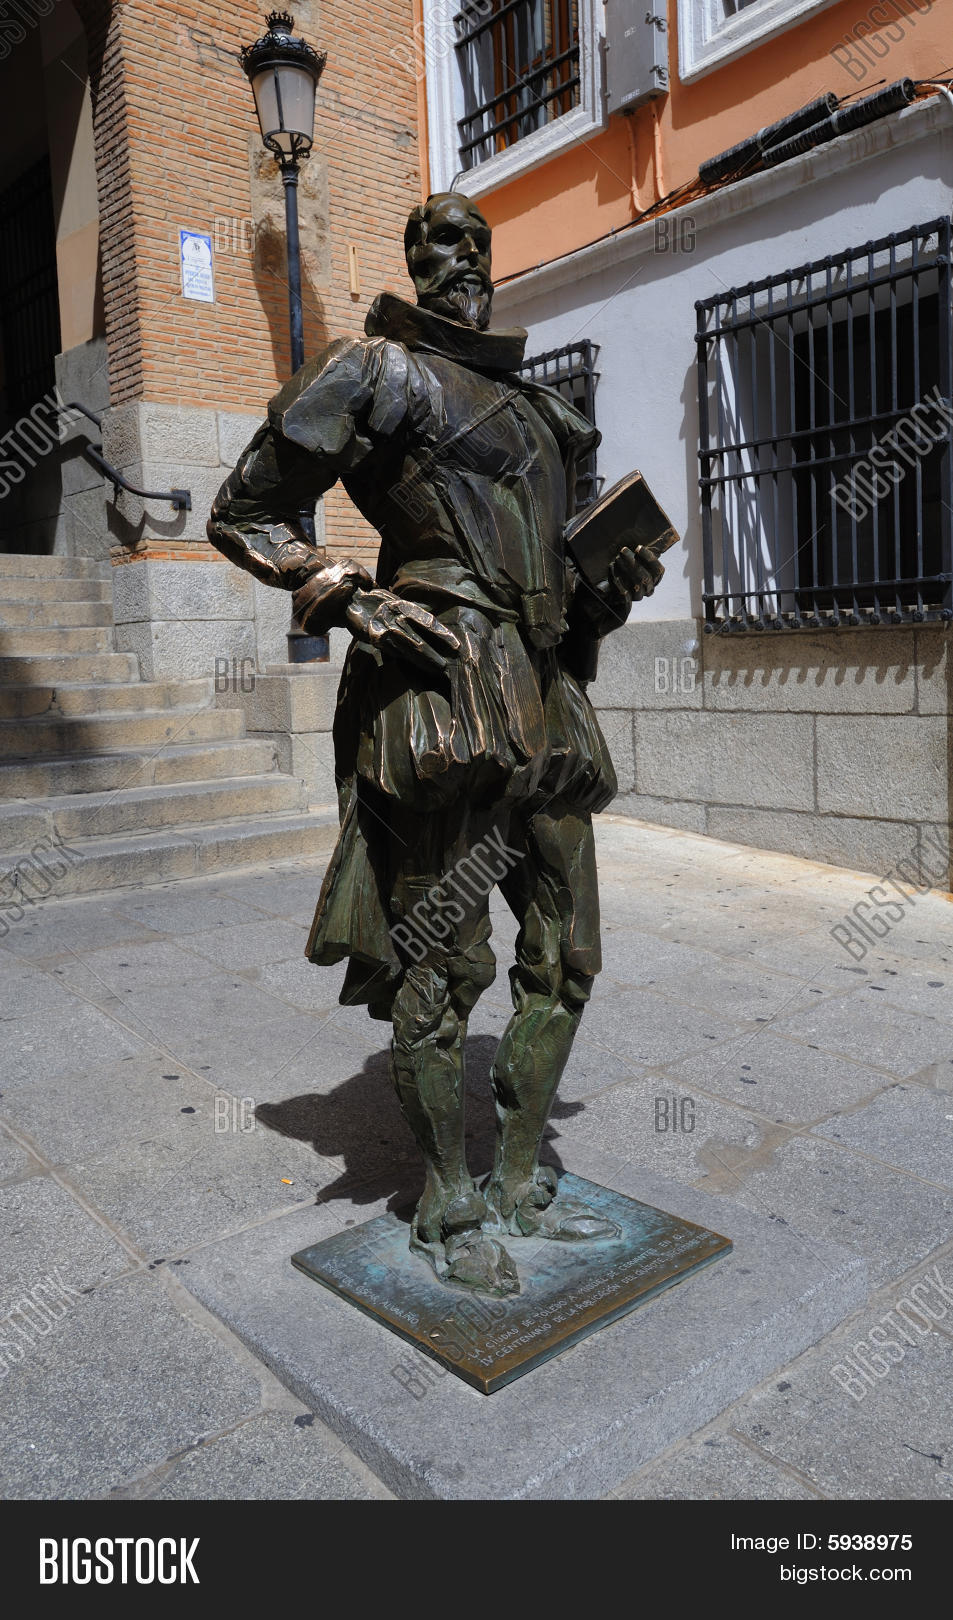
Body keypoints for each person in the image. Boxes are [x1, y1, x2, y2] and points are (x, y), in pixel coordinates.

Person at [207, 192, 664, 1295]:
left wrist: (612, 586)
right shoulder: (372, 372)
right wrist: (345, 597)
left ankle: (516, 1176)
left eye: (470, 243)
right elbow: (243, 510)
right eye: (431, 245)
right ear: (412, 265)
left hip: (547, 698)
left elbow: (559, 579)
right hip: (441, 691)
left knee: (566, 954)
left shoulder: (547, 412)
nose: (455, 259)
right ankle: (444, 1208)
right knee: (445, 961)